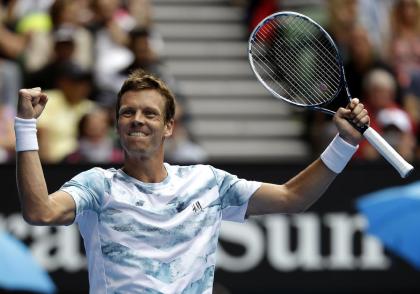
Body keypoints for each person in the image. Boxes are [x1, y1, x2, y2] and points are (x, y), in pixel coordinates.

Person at [14, 70, 369, 293]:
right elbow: (40, 212)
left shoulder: (206, 182)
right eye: (127, 112)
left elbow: (293, 197)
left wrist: (344, 144)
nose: (137, 120)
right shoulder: (97, 186)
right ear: (117, 123)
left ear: (169, 126)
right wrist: (26, 127)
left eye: (149, 113)